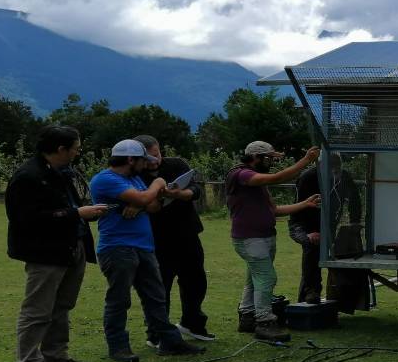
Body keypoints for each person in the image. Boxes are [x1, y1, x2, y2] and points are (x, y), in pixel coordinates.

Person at [5, 125, 108, 362]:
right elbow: (24, 219)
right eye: (76, 148)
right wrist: (76, 214)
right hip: (45, 253)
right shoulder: (28, 176)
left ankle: (55, 356)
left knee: (62, 306)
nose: (78, 153)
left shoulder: (62, 173)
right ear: (61, 149)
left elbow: (71, 205)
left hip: (72, 247)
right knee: (37, 310)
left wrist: (87, 212)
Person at [90, 139, 206, 362]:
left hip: (143, 246)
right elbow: (147, 198)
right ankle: (118, 347)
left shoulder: (133, 178)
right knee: (119, 299)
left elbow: (153, 206)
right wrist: (157, 185)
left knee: (155, 297)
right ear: (131, 159)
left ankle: (169, 341)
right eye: (144, 160)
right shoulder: (105, 179)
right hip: (117, 248)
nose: (148, 165)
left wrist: (141, 201)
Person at [225, 141, 321, 342]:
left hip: (264, 236)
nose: (270, 162)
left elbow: (274, 210)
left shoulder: (258, 185)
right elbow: (278, 178)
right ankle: (265, 322)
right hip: (250, 239)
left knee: (255, 279)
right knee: (267, 278)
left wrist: (305, 204)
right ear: (255, 157)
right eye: (267, 158)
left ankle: (247, 316)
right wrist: (306, 160)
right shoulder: (241, 174)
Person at [133, 135, 213, 345]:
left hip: (187, 233)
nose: (155, 160)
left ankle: (192, 323)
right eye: (149, 157)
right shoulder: (134, 174)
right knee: (160, 287)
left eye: (157, 154)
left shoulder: (176, 164)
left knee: (196, 281)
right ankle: (157, 332)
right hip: (156, 238)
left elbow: (195, 189)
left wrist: (181, 193)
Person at [289, 153, 362, 304]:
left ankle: (336, 296)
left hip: (327, 226)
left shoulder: (343, 177)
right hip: (301, 225)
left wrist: (355, 222)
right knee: (312, 247)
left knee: (336, 254)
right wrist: (309, 231)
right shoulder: (308, 177)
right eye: (332, 167)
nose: (335, 171)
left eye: (337, 167)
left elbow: (355, 198)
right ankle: (311, 291)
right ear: (321, 165)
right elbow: (299, 207)